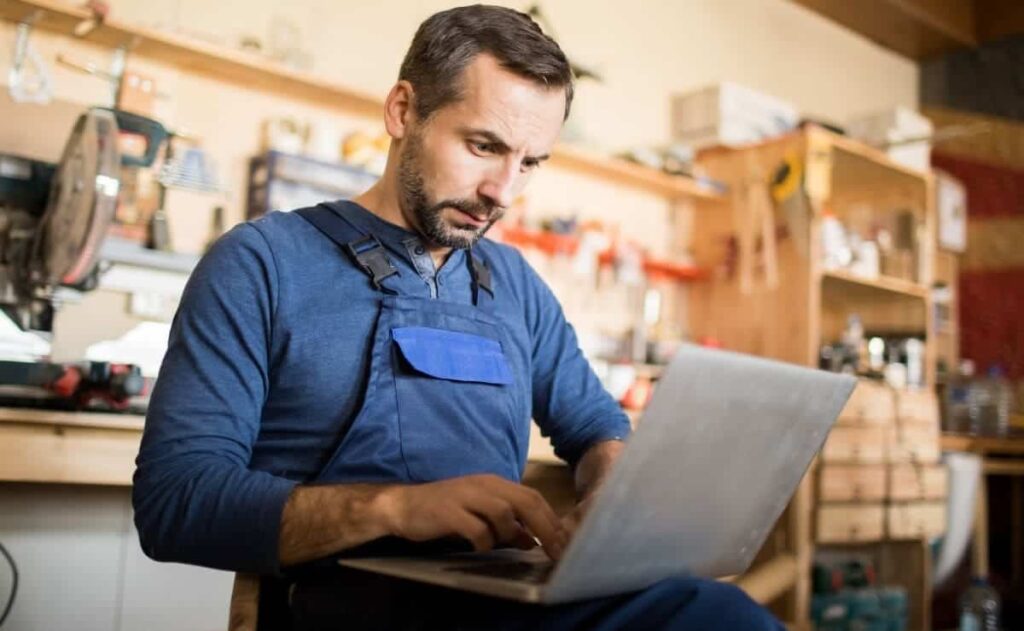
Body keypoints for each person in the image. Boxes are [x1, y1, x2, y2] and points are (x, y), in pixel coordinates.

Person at [133, 5, 783, 629]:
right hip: (341, 605)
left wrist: (612, 487)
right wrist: (396, 507)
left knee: (707, 606)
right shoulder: (262, 263)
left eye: (529, 163)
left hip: (494, 595)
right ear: (403, 110)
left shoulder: (515, 284)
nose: (504, 191)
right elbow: (175, 502)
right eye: (483, 145)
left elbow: (594, 427)